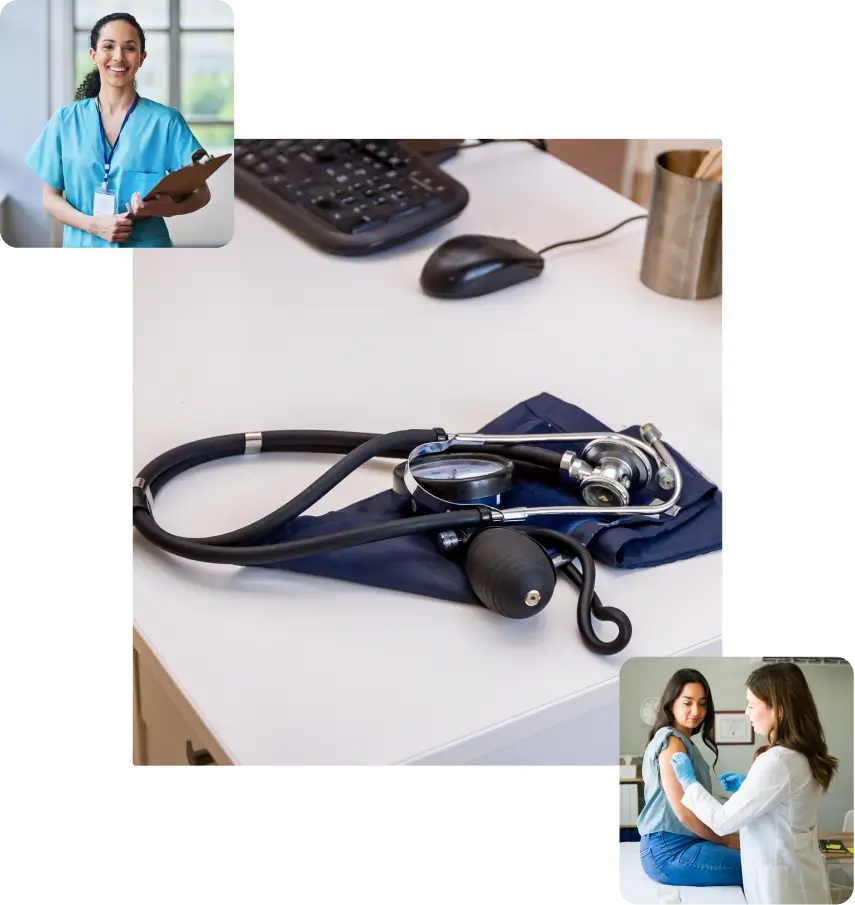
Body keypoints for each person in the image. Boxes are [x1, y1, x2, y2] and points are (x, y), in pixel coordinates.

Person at [24, 12, 211, 248]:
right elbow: (50, 198)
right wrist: (94, 225)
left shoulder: (166, 122)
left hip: (147, 256)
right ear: (94, 55)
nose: (118, 57)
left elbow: (201, 193)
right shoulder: (66, 120)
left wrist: (167, 208)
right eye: (108, 46)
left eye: (129, 48)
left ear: (141, 58)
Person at [670, 662, 838, 905]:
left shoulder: (777, 760)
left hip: (783, 887)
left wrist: (688, 782)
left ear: (778, 710)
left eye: (751, 705)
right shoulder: (799, 754)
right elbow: (785, 806)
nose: (746, 712)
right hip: (799, 877)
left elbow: (723, 821)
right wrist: (747, 788)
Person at [636, 668, 743, 888]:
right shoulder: (672, 742)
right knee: (758, 865)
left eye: (702, 703)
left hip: (684, 842)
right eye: (687, 702)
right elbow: (684, 813)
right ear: (671, 703)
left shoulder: (684, 741)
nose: (696, 711)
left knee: (753, 851)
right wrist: (726, 840)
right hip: (669, 851)